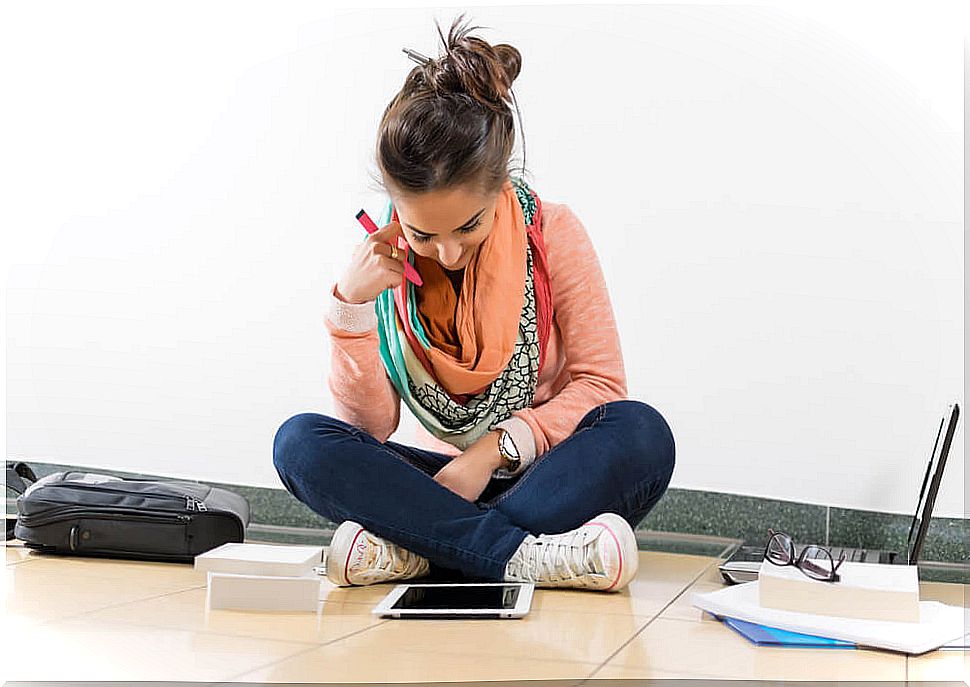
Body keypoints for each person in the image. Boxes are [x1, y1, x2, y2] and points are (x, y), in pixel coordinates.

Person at [273, 14, 675, 593]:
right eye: (423, 234)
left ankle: (419, 549)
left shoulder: (553, 232)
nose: (449, 252)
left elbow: (599, 385)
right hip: (437, 484)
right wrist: (351, 310)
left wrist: (492, 452)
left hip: (546, 476)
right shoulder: (382, 266)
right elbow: (370, 426)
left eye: (469, 226)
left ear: (499, 188)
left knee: (641, 433)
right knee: (300, 443)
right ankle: (522, 556)